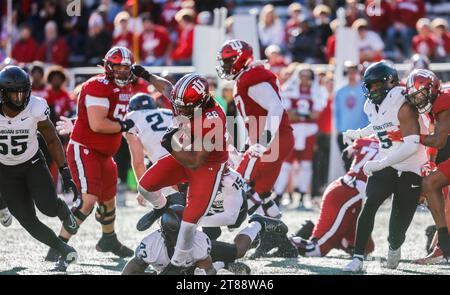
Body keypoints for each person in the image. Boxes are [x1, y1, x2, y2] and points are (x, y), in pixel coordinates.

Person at [132, 70, 229, 274]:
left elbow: (195, 162)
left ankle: (176, 265)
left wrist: (171, 145)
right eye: (180, 105)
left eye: (186, 107)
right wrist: (146, 75)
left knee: (189, 221)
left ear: (202, 101)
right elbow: (165, 87)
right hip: (182, 154)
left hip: (207, 166)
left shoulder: (213, 118)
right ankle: (161, 206)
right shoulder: (181, 99)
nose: (181, 110)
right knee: (145, 186)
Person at [45, 47, 136, 262]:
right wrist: (125, 125)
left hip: (104, 153)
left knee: (109, 198)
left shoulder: (125, 86)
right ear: (108, 67)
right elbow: (98, 123)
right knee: (88, 200)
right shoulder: (98, 85)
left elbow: (102, 115)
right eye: (118, 67)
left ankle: (108, 239)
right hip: (86, 149)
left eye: (126, 67)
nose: (123, 72)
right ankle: (59, 246)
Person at [341, 61, 427, 272]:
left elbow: (412, 144)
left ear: (390, 83)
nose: (372, 90)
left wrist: (380, 163)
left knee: (397, 229)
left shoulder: (402, 102)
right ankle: (358, 258)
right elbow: (381, 123)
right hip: (387, 164)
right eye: (369, 86)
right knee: (369, 205)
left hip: (411, 167)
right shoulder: (371, 105)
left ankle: (394, 246)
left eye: (376, 85)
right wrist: (361, 133)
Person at [0, 65, 79, 271]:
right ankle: (61, 248)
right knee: (27, 220)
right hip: (5, 170)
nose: (19, 98)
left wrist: (64, 170)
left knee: (48, 208)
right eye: (13, 93)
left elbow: (51, 139)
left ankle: (61, 209)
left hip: (31, 164)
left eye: (23, 92)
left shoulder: (35, 106)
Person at [216, 39, 294, 218]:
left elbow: (276, 107)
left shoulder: (251, 76)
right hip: (275, 140)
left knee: (239, 187)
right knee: (262, 194)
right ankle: (278, 235)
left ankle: (257, 231)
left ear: (240, 59)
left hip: (272, 141)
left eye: (228, 61)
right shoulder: (247, 77)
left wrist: (263, 142)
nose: (225, 66)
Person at [396, 69, 450, 261]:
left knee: (435, 188)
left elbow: (437, 141)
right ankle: (443, 244)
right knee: (430, 184)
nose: (418, 100)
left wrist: (410, 136)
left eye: (421, 95)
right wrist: (431, 162)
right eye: (414, 97)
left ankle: (443, 245)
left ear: (432, 88)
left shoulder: (443, 102)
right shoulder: (437, 101)